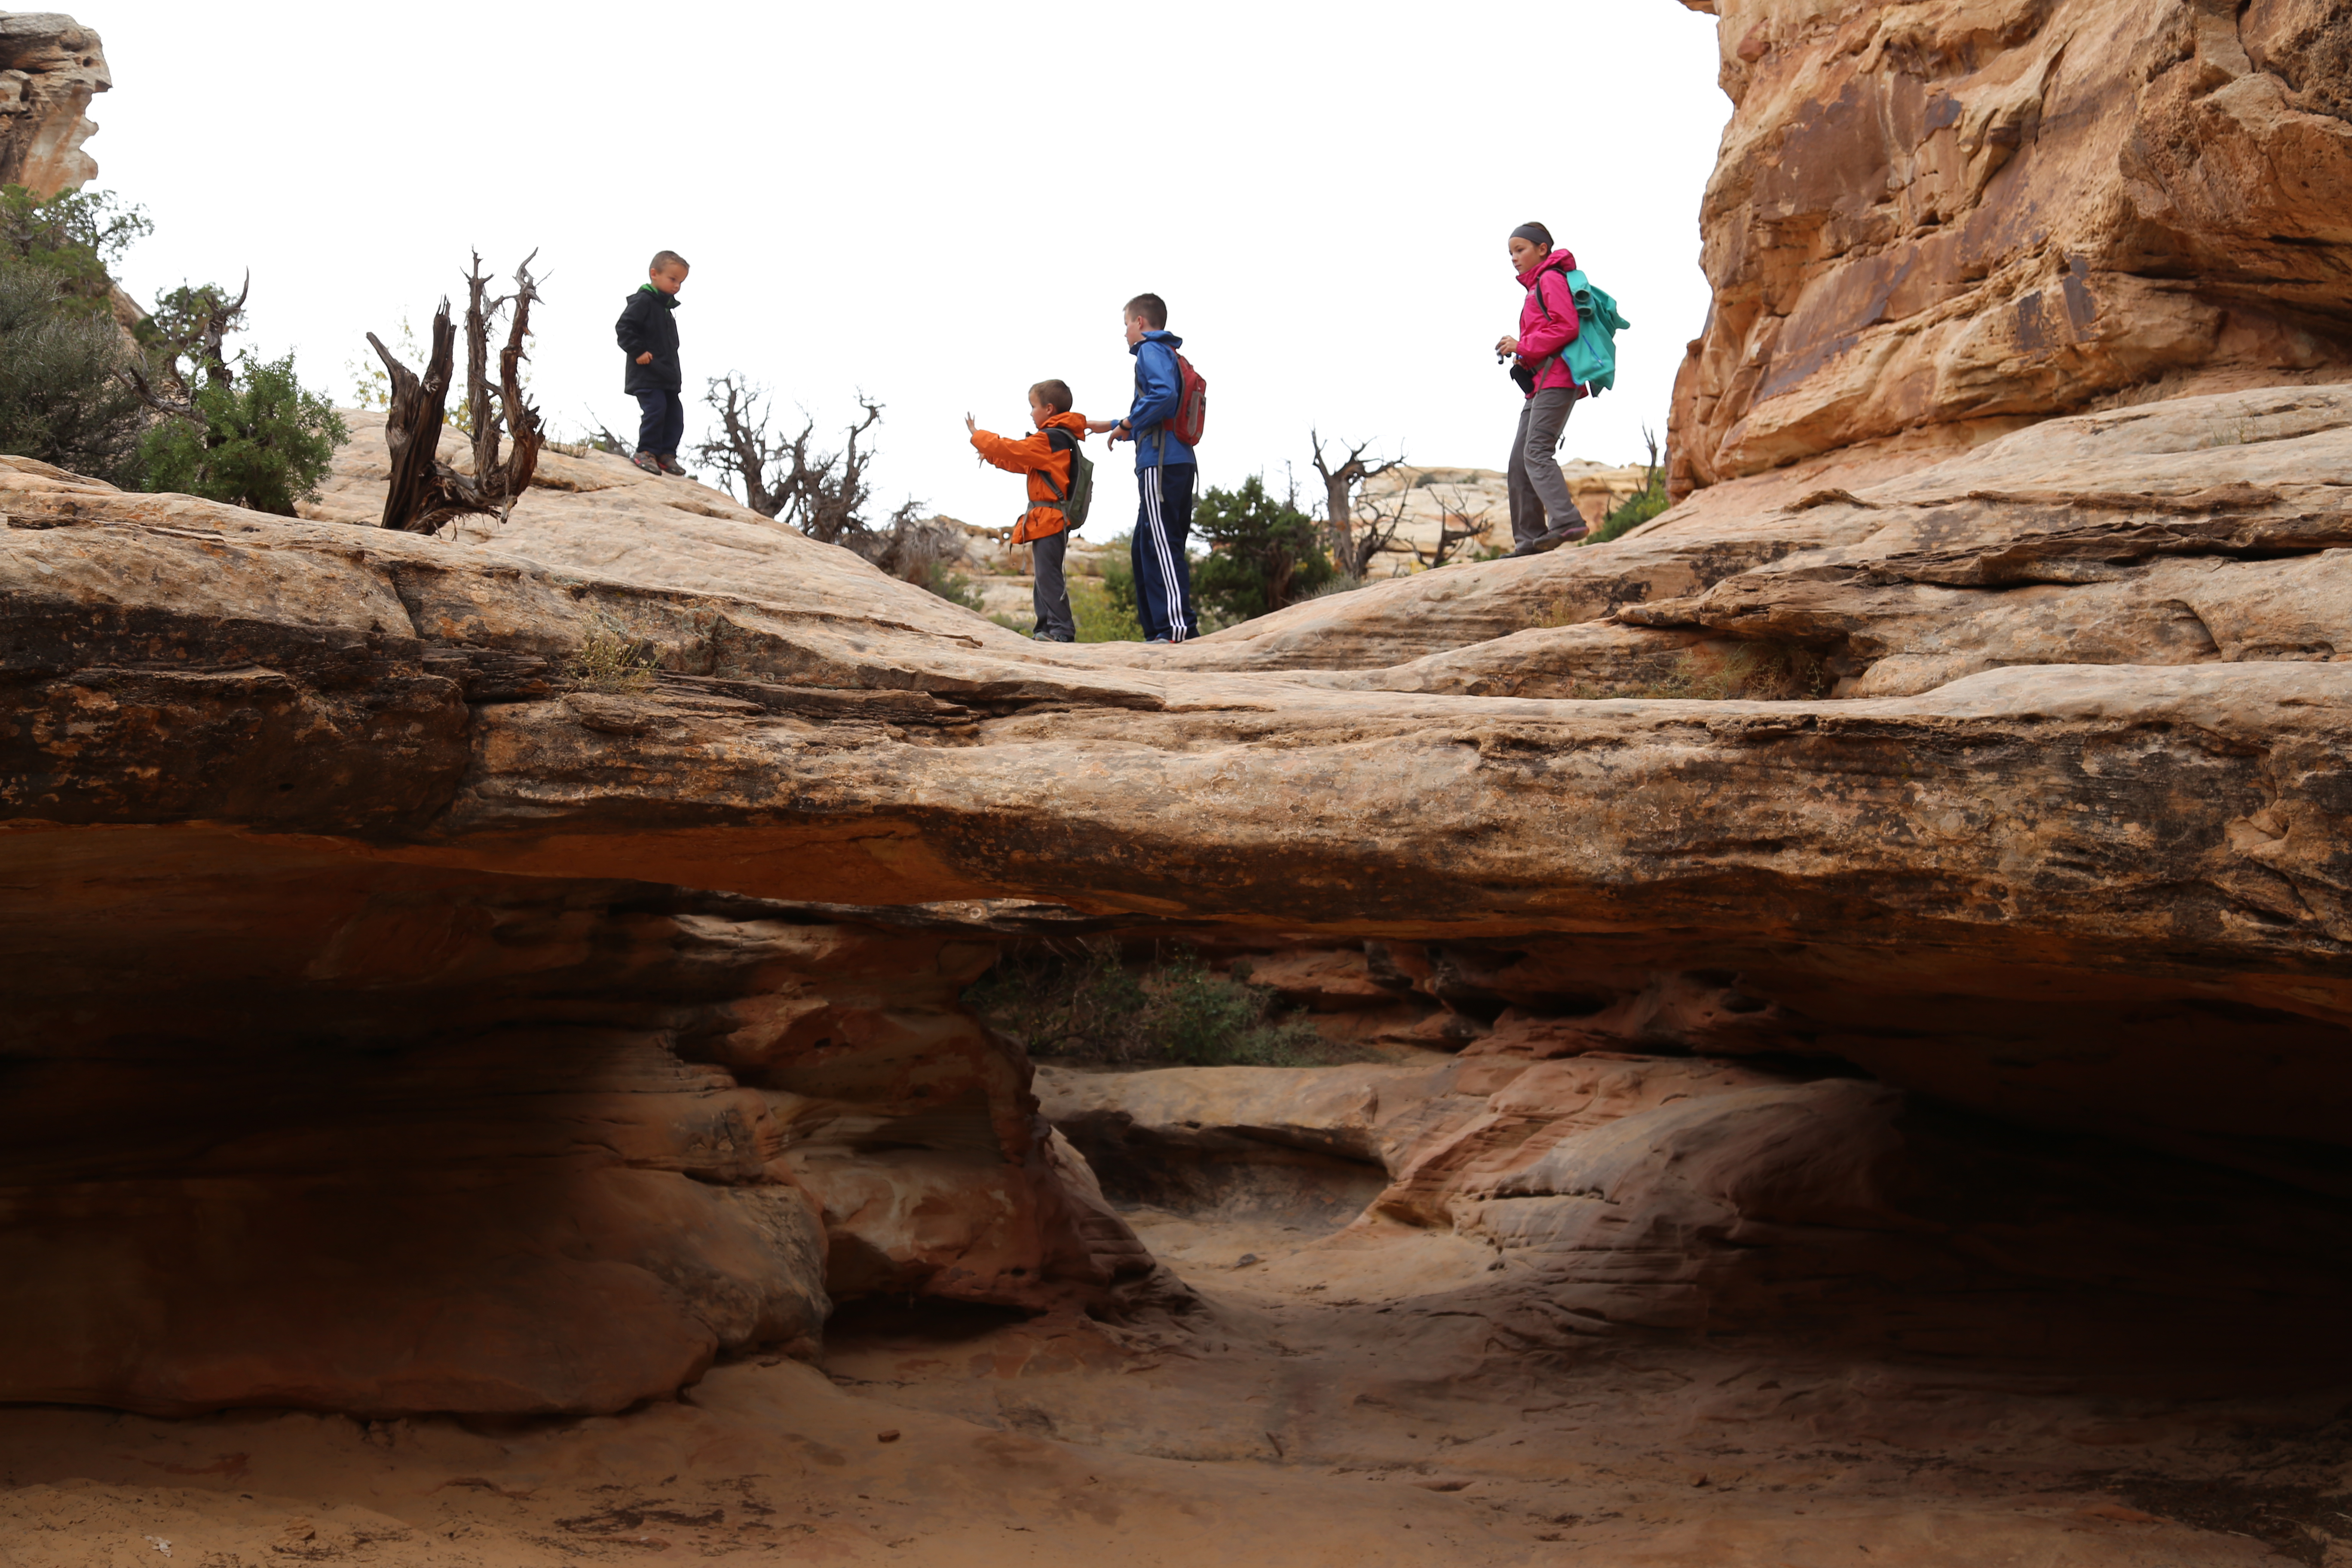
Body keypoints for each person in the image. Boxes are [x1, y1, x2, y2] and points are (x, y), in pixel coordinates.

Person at [1086, 294, 1197, 644]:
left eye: (1125, 326)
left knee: (1161, 543)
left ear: (1140, 323)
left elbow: (1163, 396)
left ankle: (1177, 630)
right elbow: (1162, 402)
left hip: (1161, 462)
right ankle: (1158, 631)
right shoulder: (1169, 353)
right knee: (1146, 545)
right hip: (1174, 460)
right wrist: (1120, 425)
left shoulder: (1151, 350)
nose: (1124, 335)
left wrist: (1130, 423)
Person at [966, 380, 1092, 643]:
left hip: (1051, 518)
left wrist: (979, 437)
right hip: (1047, 519)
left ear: (1048, 409)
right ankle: (1046, 629)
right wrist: (989, 456)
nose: (1031, 413)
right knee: (1043, 576)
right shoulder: (1055, 439)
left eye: (1033, 407)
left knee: (1048, 575)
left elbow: (1014, 449)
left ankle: (1062, 632)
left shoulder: (1052, 438)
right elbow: (1023, 463)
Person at [1495, 222, 1591, 556]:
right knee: (1519, 464)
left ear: (1542, 249)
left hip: (1559, 379)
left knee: (1536, 451)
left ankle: (1567, 521)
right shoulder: (1533, 288)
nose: (1514, 258)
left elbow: (1567, 326)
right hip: (1538, 384)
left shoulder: (1550, 279)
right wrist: (1522, 355)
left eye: (1520, 250)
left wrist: (1522, 346)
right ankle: (1530, 541)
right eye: (1510, 253)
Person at [615, 250, 689, 477]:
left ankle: (666, 454)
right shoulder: (644, 301)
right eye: (673, 279)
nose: (677, 286)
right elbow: (624, 328)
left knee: (675, 415)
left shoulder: (666, 309)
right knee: (656, 410)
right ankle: (646, 452)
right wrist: (638, 351)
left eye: (681, 282)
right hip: (647, 374)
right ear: (654, 274)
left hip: (666, 376)